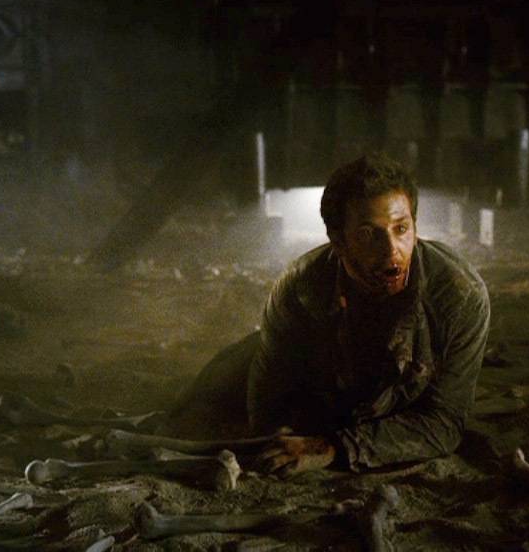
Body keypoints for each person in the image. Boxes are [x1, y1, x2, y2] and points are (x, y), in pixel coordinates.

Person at [164, 153, 490, 476]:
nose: (392, 250)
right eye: (367, 234)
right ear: (339, 241)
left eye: (401, 228)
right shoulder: (301, 286)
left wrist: (330, 447)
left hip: (388, 411)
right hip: (320, 392)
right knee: (200, 402)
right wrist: (276, 434)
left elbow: (443, 422)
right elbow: (269, 394)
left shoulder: (458, 296)